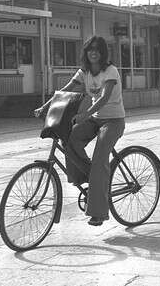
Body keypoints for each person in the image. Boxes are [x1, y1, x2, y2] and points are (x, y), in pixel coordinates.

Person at [35, 36, 126, 226]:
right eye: (90, 49)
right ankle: (91, 178)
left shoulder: (110, 71)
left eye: (97, 49)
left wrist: (85, 114)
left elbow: (104, 98)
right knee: (70, 138)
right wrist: (45, 107)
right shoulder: (84, 72)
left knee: (100, 158)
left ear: (103, 53)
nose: (93, 52)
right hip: (95, 118)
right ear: (85, 52)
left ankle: (98, 213)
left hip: (114, 121)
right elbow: (65, 92)